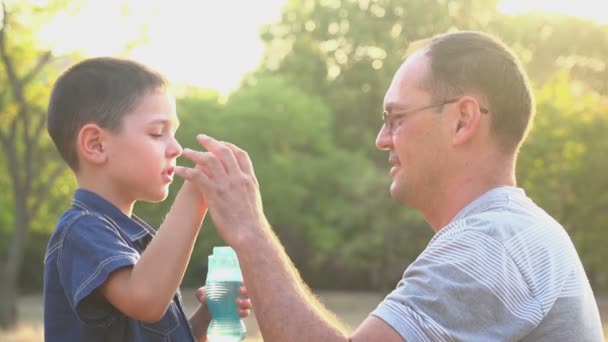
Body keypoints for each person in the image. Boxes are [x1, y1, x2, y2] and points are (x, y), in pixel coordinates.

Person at [176, 31, 605, 341]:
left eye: (395, 118)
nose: (382, 140)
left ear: (462, 119)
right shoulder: (509, 235)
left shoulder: (494, 244)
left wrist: (249, 229)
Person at [43, 57, 251, 342]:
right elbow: (145, 301)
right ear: (96, 144)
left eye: (173, 133)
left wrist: (207, 317)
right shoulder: (80, 230)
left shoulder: (135, 244)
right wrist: (194, 194)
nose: (176, 148)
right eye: (157, 133)